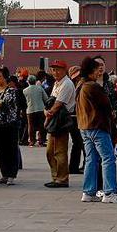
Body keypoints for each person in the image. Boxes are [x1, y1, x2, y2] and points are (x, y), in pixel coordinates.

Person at [76, 57, 117, 204]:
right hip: (97, 126)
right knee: (108, 158)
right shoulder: (93, 86)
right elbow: (106, 106)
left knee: (91, 160)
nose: (98, 72)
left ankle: (88, 192)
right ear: (90, 71)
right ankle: (109, 192)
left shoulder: (80, 85)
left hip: (84, 127)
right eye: (95, 69)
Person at [44, 60, 75, 188]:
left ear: (64, 70)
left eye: (58, 69)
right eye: (53, 70)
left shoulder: (66, 84)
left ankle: (62, 179)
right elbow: (51, 102)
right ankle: (56, 176)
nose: (55, 72)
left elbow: (58, 104)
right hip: (54, 119)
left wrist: (47, 116)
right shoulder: (57, 83)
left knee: (59, 150)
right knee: (50, 151)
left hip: (61, 120)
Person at [0, 67, 20, 185]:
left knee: (11, 150)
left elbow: (6, 102)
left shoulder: (11, 91)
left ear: (5, 78)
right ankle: (4, 174)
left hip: (10, 125)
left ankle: (11, 175)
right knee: (0, 151)